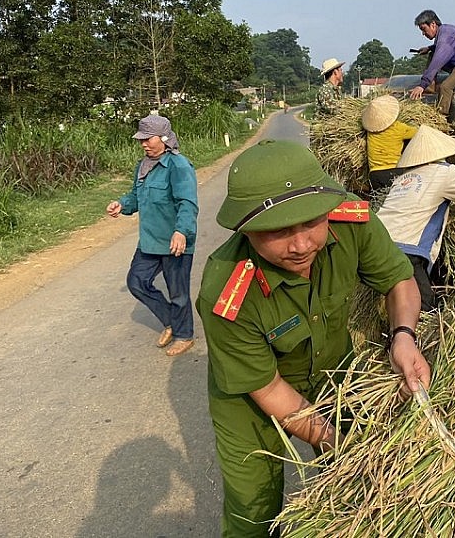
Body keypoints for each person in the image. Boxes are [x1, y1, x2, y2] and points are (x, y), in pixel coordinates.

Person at [196, 140, 431, 537]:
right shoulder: (227, 294)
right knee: (254, 505)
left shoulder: (352, 223)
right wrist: (331, 440)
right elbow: (268, 388)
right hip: (252, 396)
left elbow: (399, 281)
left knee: (357, 485)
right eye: (279, 232)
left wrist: (403, 337)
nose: (301, 245)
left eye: (310, 223)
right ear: (246, 229)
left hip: (334, 372)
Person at [106, 115, 198, 357]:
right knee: (136, 282)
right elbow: (136, 197)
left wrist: (182, 232)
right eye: (141, 140)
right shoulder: (143, 166)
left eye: (148, 139)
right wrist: (122, 205)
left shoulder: (179, 166)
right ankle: (171, 321)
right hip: (150, 241)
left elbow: (187, 203)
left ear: (164, 138)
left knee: (178, 293)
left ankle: (183, 334)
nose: (144, 144)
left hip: (174, 242)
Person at [377, 125, 455, 311]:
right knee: (423, 306)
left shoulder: (403, 177)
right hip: (406, 249)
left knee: (394, 300)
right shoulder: (445, 172)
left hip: (378, 241)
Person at [408, 10, 455, 116]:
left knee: (445, 87)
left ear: (433, 24)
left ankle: (441, 117)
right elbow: (448, 46)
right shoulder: (445, 30)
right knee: (432, 53)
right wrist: (429, 48)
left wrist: (422, 85)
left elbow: (437, 62)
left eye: (424, 29)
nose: (423, 34)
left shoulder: (444, 39)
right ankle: (430, 87)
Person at [361, 95, 418, 192]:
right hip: (394, 172)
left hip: (374, 175)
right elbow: (418, 133)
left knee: (378, 204)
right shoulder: (398, 128)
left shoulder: (370, 131)